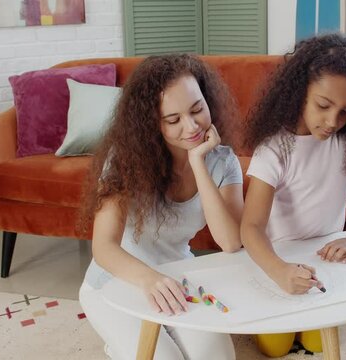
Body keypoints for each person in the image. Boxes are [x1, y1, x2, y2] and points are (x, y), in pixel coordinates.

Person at [78, 54, 244, 360]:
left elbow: (231, 242)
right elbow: (103, 247)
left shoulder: (222, 161)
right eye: (173, 119)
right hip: (116, 279)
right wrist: (149, 280)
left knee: (218, 358)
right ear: (152, 124)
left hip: (176, 275)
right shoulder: (124, 160)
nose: (192, 126)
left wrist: (199, 164)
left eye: (197, 110)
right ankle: (118, 347)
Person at [240, 33, 346, 357]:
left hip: (325, 259)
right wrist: (279, 271)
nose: (332, 122)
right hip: (278, 259)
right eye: (323, 106)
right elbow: (251, 227)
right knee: (275, 348)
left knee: (317, 343)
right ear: (300, 94)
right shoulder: (274, 150)